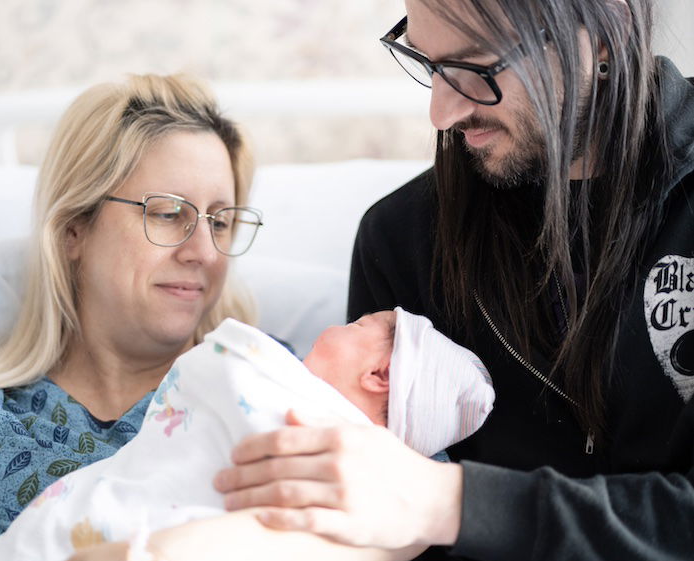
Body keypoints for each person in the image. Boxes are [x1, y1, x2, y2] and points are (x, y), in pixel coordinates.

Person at [213, 1, 694, 560]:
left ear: (602, 37)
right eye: (428, 62)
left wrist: (452, 503)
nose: (441, 113)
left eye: (476, 69)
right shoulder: (401, 239)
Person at [0, 74, 263, 561]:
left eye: (220, 221)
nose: (205, 252)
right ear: (74, 230)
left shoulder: (272, 391)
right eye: (169, 213)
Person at [0, 309, 493, 561]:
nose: (350, 320)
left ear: (378, 374)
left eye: (364, 323)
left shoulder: (286, 398)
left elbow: (224, 371)